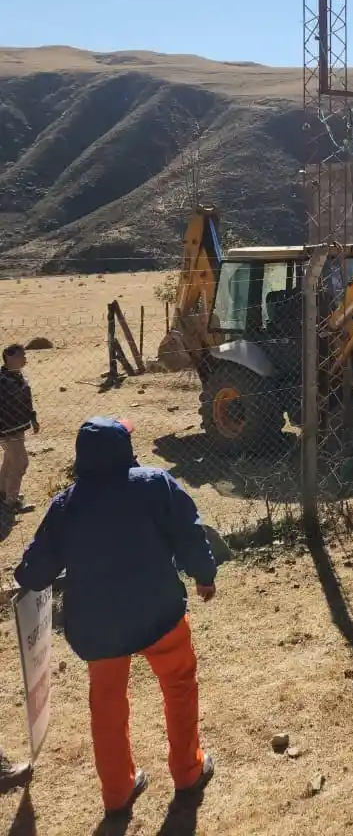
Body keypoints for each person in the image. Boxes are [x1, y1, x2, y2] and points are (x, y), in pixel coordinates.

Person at [14, 418, 217, 818]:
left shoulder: (66, 505)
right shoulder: (154, 483)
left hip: (99, 627)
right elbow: (190, 532)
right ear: (124, 447)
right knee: (179, 687)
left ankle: (117, 792)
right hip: (160, 612)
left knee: (106, 706)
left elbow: (33, 573)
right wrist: (204, 576)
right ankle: (187, 772)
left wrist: (29, 573)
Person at [0, 343, 39, 513]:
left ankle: (3, 493)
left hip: (18, 427)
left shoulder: (17, 376)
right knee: (20, 462)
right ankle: (12, 502)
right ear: (9, 358)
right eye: (21, 356)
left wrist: (33, 418)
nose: (25, 359)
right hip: (8, 430)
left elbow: (26, 400)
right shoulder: (3, 381)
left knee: (10, 460)